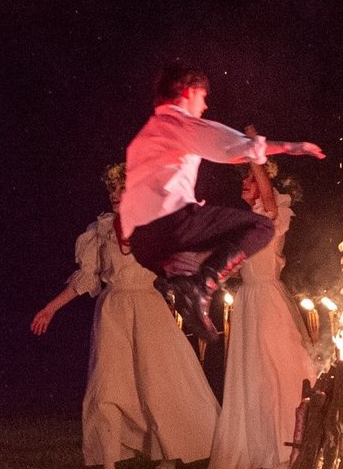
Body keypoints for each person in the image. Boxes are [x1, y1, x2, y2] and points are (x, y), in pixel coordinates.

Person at [31, 164, 219, 469]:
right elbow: (86, 278)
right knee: (107, 385)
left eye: (123, 189)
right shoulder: (100, 231)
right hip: (114, 308)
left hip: (148, 307)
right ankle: (108, 467)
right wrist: (51, 308)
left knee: (156, 383)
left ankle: (168, 454)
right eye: (112, 190)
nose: (116, 195)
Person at [119, 62, 324, 341]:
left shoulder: (142, 138)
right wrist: (291, 147)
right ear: (189, 91)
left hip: (144, 245)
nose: (204, 106)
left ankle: (183, 283)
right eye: (202, 97)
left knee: (191, 255)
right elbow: (231, 146)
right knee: (261, 228)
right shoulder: (179, 122)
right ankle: (203, 283)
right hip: (172, 225)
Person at [208, 146, 316, 469]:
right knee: (251, 374)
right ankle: (252, 449)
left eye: (251, 178)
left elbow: (268, 206)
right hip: (247, 302)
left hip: (268, 299)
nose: (245, 182)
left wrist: (257, 157)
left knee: (275, 370)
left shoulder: (278, 211)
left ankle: (285, 451)